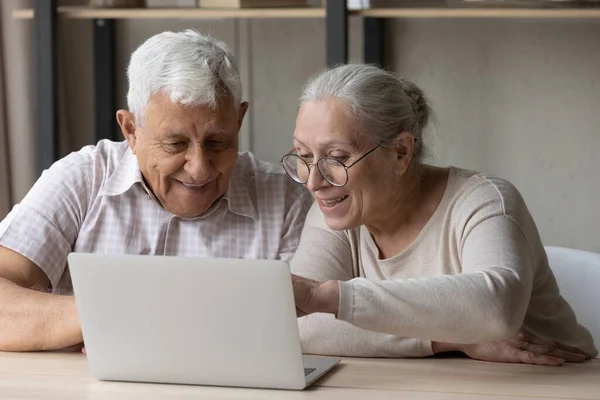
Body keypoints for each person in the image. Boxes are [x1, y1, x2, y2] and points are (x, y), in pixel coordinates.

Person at [0, 30, 313, 352]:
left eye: (218, 142)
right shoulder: (82, 179)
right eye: (176, 144)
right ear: (131, 130)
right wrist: (115, 311)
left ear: (239, 121)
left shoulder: (287, 199)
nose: (199, 167)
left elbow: (314, 330)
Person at [285, 64, 597, 365]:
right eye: (304, 156)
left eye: (337, 158)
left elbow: (496, 308)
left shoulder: (485, 199)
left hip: (557, 383)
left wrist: (325, 297)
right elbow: (303, 327)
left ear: (401, 152)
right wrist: (457, 339)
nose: (314, 181)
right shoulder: (338, 207)